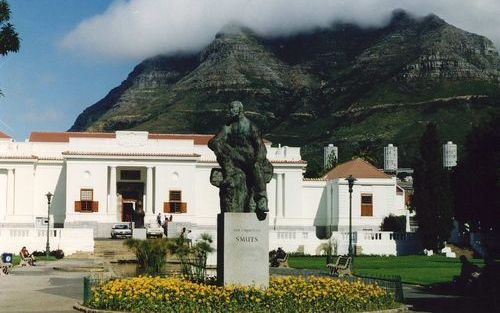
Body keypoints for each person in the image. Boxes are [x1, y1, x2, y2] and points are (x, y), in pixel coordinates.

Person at [208, 101, 272, 218]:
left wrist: (258, 160)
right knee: (218, 144)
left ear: (240, 110)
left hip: (251, 159)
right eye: (230, 108)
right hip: (234, 161)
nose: (230, 111)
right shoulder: (227, 127)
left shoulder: (250, 126)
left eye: (233, 108)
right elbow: (213, 142)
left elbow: (261, 147)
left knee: (256, 167)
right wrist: (217, 145)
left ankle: (262, 198)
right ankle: (229, 172)